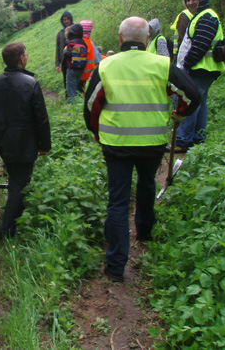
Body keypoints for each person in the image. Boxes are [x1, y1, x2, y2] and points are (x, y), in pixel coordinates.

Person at [84, 17, 200, 282]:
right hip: (152, 143)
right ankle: (145, 232)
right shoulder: (162, 64)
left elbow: (91, 105)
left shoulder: (106, 65)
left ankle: (115, 266)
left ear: (120, 38)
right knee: (147, 184)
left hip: (116, 144)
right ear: (148, 38)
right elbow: (193, 95)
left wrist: (97, 132)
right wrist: (179, 112)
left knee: (118, 201)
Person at [0, 42, 51, 239]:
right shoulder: (31, 83)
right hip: (24, 144)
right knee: (19, 185)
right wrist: (45, 145)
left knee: (16, 181)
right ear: (21, 58)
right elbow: (41, 118)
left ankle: (13, 224)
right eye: (26, 54)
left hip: (2, 142)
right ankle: (7, 231)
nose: (27, 56)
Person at [175, 0, 225, 152]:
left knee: (191, 102)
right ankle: (198, 137)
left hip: (200, 68)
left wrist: (186, 64)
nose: (191, 2)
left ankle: (183, 141)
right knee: (200, 102)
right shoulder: (201, 16)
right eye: (188, 0)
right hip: (203, 68)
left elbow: (200, 46)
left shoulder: (207, 17)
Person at [63, 24, 88, 103]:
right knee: (77, 88)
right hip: (81, 69)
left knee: (71, 90)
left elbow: (68, 55)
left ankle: (72, 106)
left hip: (72, 69)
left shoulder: (72, 43)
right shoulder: (83, 43)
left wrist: (65, 51)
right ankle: (78, 104)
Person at [55, 11, 73, 97]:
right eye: (64, 20)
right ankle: (68, 97)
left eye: (68, 19)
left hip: (74, 58)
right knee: (66, 79)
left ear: (71, 19)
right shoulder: (60, 33)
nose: (66, 21)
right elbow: (58, 49)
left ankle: (77, 97)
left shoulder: (75, 30)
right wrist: (57, 63)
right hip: (64, 60)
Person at [79, 19, 100, 91]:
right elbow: (98, 59)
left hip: (79, 75)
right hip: (89, 76)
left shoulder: (78, 42)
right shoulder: (90, 42)